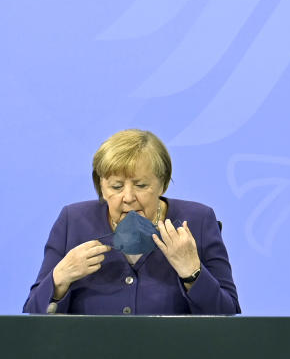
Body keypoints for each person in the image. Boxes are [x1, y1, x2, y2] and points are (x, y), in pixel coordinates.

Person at [24, 129, 240, 314]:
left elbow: (228, 316)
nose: (128, 197)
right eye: (116, 187)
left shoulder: (198, 221)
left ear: (162, 184)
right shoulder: (73, 221)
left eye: (141, 185)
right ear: (101, 187)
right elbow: (32, 315)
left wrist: (193, 272)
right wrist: (60, 278)